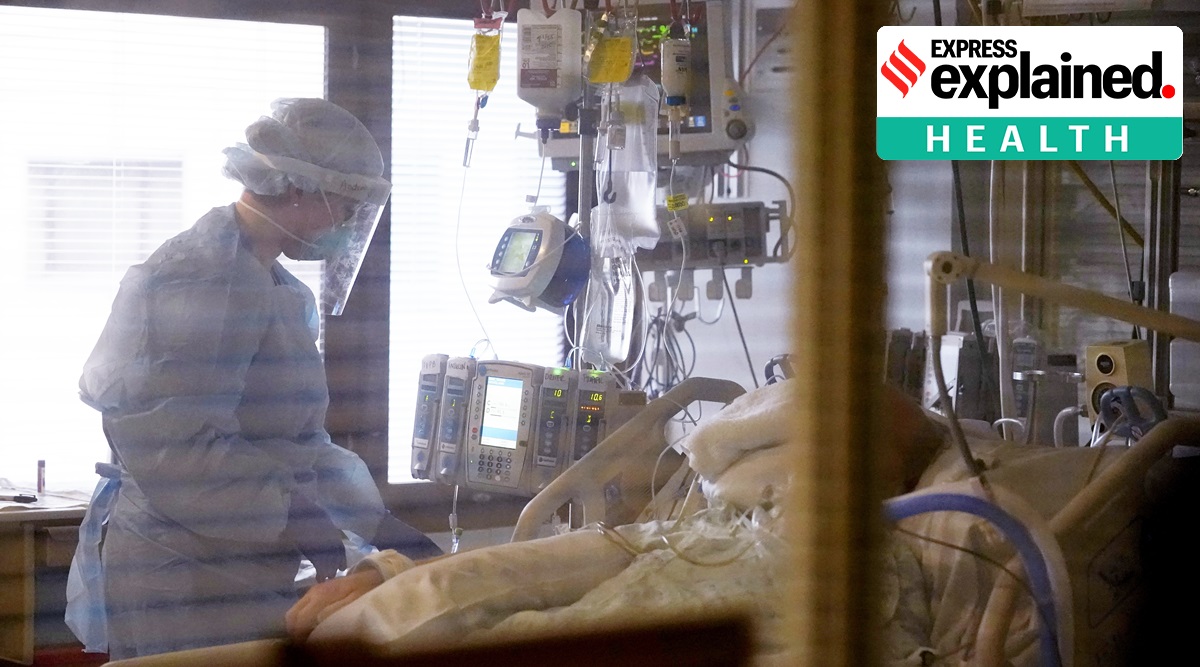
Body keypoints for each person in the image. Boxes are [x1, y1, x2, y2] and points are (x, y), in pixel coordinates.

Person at [64, 98, 443, 660]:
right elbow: (172, 446)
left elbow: (299, 446)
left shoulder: (280, 292)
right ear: (297, 189)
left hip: (239, 560)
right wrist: (294, 513)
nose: (345, 222)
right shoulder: (196, 279)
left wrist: (374, 523)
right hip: (177, 565)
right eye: (342, 204)